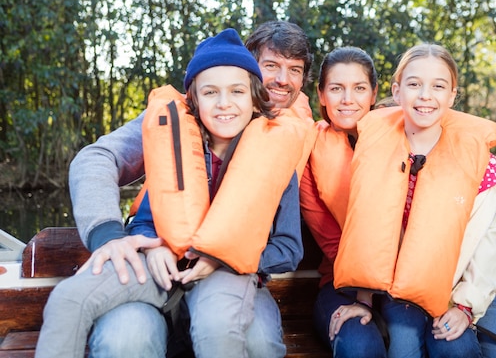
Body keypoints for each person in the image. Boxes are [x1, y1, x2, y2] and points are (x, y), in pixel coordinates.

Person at [35, 28, 305, 358]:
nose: (224, 103)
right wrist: (121, 239)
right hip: (158, 265)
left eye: (294, 69)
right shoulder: (172, 132)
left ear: (252, 95)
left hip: (232, 274)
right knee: (113, 330)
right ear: (194, 98)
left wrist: (225, 256)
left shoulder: (276, 151)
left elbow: (288, 246)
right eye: (271, 65)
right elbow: (127, 190)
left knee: (247, 337)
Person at [331, 43, 496, 358]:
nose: (425, 95)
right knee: (404, 349)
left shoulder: (479, 161)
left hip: (465, 285)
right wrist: (363, 299)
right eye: (414, 84)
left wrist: (466, 307)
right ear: (397, 91)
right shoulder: (377, 149)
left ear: (452, 96)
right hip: (404, 291)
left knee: (473, 351)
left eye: (438, 86)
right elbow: (367, 230)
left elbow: (491, 240)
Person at [299, 46, 386, 357]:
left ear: (374, 93)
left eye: (359, 88)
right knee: (359, 346)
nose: (348, 99)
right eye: (337, 88)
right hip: (342, 285)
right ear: (321, 95)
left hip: (406, 283)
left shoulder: (402, 139)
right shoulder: (310, 152)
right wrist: (366, 294)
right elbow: (332, 243)